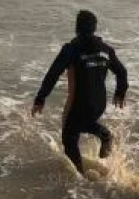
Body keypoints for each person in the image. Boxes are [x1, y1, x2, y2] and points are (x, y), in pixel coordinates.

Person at [31, 10, 128, 175]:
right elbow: (122, 72)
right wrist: (120, 92)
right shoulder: (106, 50)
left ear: (77, 28)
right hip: (99, 103)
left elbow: (53, 74)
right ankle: (103, 134)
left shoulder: (72, 49)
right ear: (94, 28)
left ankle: (81, 178)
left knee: (69, 139)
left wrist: (41, 98)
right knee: (83, 123)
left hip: (81, 103)